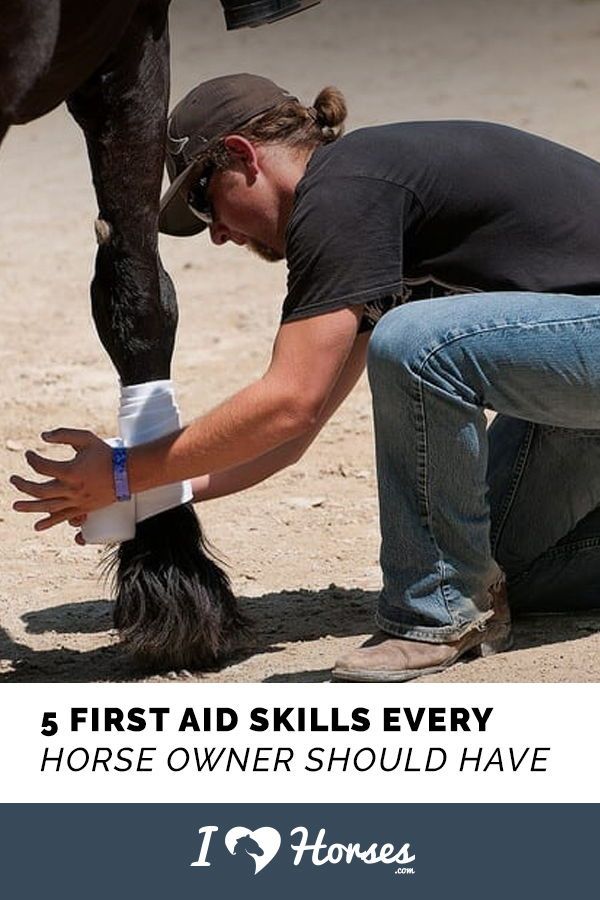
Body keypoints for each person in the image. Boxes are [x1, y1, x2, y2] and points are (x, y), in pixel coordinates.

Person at [11, 73, 600, 682]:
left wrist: (122, 469)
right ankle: (464, 590)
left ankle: (438, 615)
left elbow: (289, 401)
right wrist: (145, 492)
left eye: (203, 200)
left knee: (416, 345)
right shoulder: (372, 209)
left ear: (242, 155)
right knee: (504, 566)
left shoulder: (343, 189)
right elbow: (295, 433)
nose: (215, 232)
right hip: (574, 362)